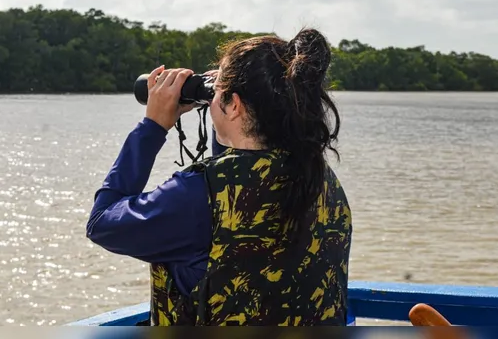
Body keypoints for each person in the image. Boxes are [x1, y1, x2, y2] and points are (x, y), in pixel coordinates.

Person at [86, 28, 353, 326]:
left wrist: (152, 126)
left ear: (235, 105)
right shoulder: (322, 178)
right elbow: (239, 176)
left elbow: (102, 223)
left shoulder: (198, 194)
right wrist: (222, 106)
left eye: (218, 91)